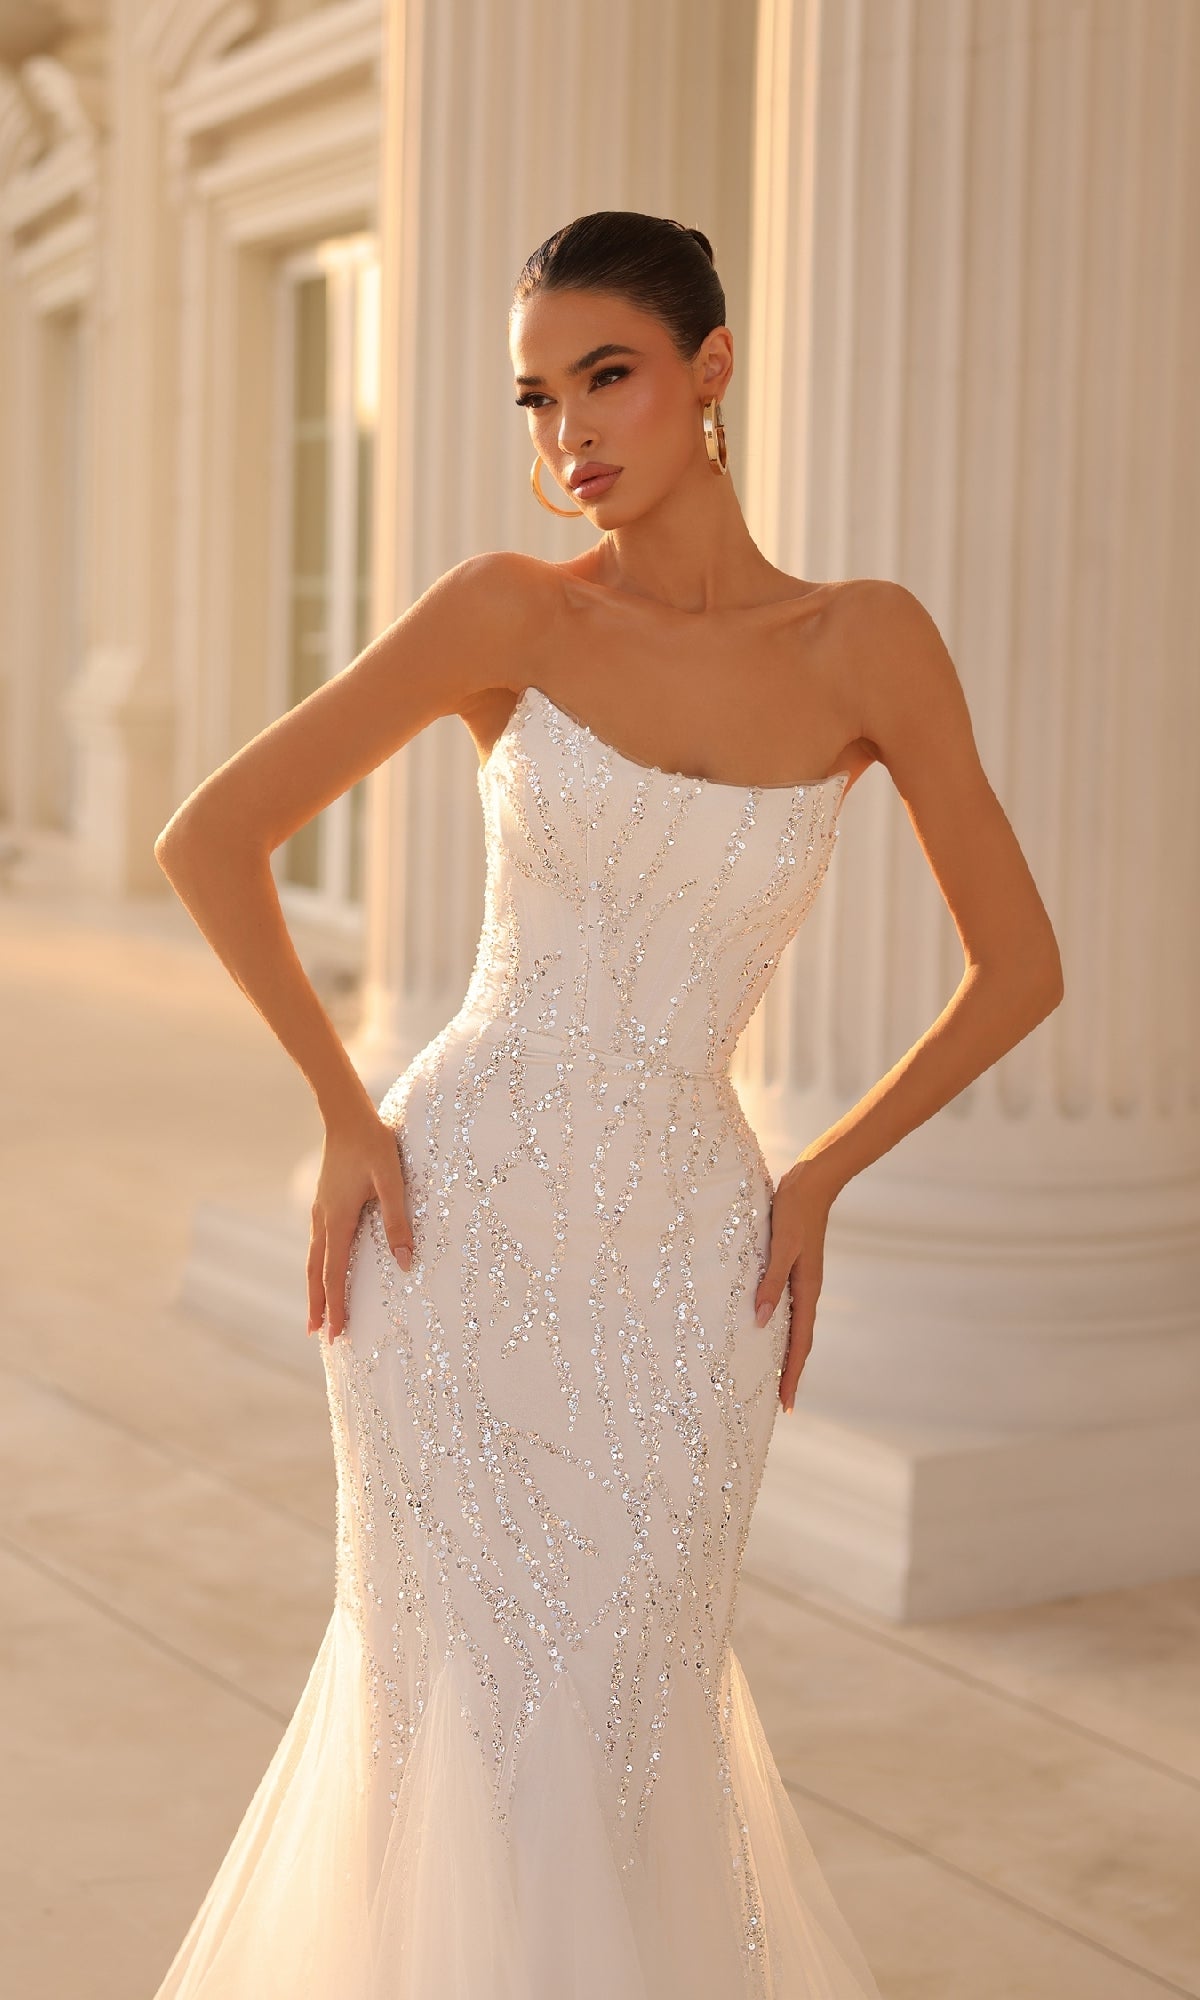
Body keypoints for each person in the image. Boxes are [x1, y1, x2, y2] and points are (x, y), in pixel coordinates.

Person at [149, 210, 1063, 1998]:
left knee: (633, 1708)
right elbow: (213, 839)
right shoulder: (511, 614)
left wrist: (818, 1180)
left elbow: (1022, 967)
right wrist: (350, 1112)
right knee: (451, 1718)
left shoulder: (864, 644)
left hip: (684, 1260)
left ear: (711, 371)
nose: (570, 433)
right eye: (538, 395)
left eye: (609, 376)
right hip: (456, 1230)